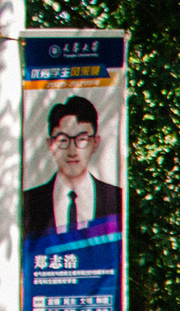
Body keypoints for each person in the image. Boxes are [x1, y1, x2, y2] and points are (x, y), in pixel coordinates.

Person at [22, 95, 124, 240]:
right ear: (50, 144)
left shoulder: (116, 199)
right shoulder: (29, 202)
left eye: (81, 139)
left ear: (95, 143)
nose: (72, 152)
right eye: (62, 140)